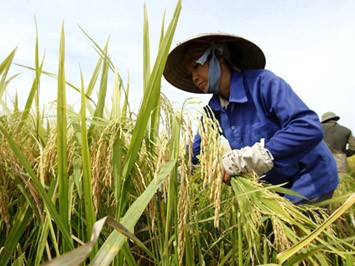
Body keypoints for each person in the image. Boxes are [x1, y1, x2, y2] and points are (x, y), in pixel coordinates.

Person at [163, 33, 339, 205]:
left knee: (297, 230)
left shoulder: (263, 84)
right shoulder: (213, 111)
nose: (194, 77)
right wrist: (174, 174)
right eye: (189, 73)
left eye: (196, 66)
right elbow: (197, 151)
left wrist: (247, 159)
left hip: (309, 177)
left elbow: (307, 127)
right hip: (273, 185)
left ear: (219, 56)